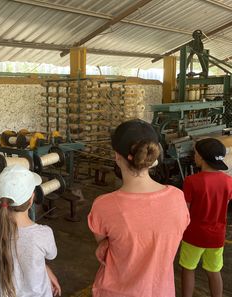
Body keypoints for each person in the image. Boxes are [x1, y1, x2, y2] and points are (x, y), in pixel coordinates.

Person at [88, 119, 190, 297]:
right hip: (161, 291)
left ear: (116, 157)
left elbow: (103, 242)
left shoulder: (103, 205)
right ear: (152, 157)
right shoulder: (177, 198)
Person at [0, 165, 61, 297]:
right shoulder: (43, 234)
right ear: (32, 199)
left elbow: (3, 255)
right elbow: (45, 256)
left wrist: (47, 271)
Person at [180, 138, 232, 297]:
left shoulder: (191, 181)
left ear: (201, 158)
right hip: (217, 235)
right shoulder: (228, 181)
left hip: (194, 235)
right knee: (214, 271)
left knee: (188, 268)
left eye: (195, 153)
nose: (194, 156)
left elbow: (185, 210)